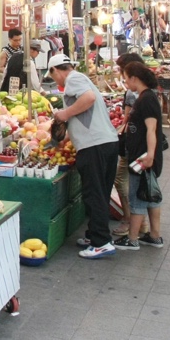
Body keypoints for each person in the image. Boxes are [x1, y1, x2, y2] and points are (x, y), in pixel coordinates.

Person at [47, 54, 120, 259]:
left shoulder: (73, 78)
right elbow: (84, 114)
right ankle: (96, 234)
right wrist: (65, 138)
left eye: (52, 76)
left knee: (94, 193)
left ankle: (101, 243)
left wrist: (65, 114)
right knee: (101, 193)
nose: (55, 80)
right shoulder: (80, 79)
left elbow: (88, 99)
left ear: (56, 70)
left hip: (94, 145)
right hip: (105, 142)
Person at [113, 62, 164, 250]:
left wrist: (149, 155)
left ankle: (132, 239)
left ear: (134, 78)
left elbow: (151, 129)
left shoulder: (147, 99)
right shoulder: (146, 97)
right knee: (150, 194)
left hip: (142, 157)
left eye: (126, 79)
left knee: (137, 196)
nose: (126, 83)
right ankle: (155, 236)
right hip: (143, 154)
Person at [0, 28, 24, 93]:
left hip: (22, 79)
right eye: (15, 40)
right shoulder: (5, 52)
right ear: (10, 39)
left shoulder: (22, 49)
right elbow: (0, 67)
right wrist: (9, 71)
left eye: (20, 40)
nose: (18, 42)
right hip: (12, 80)